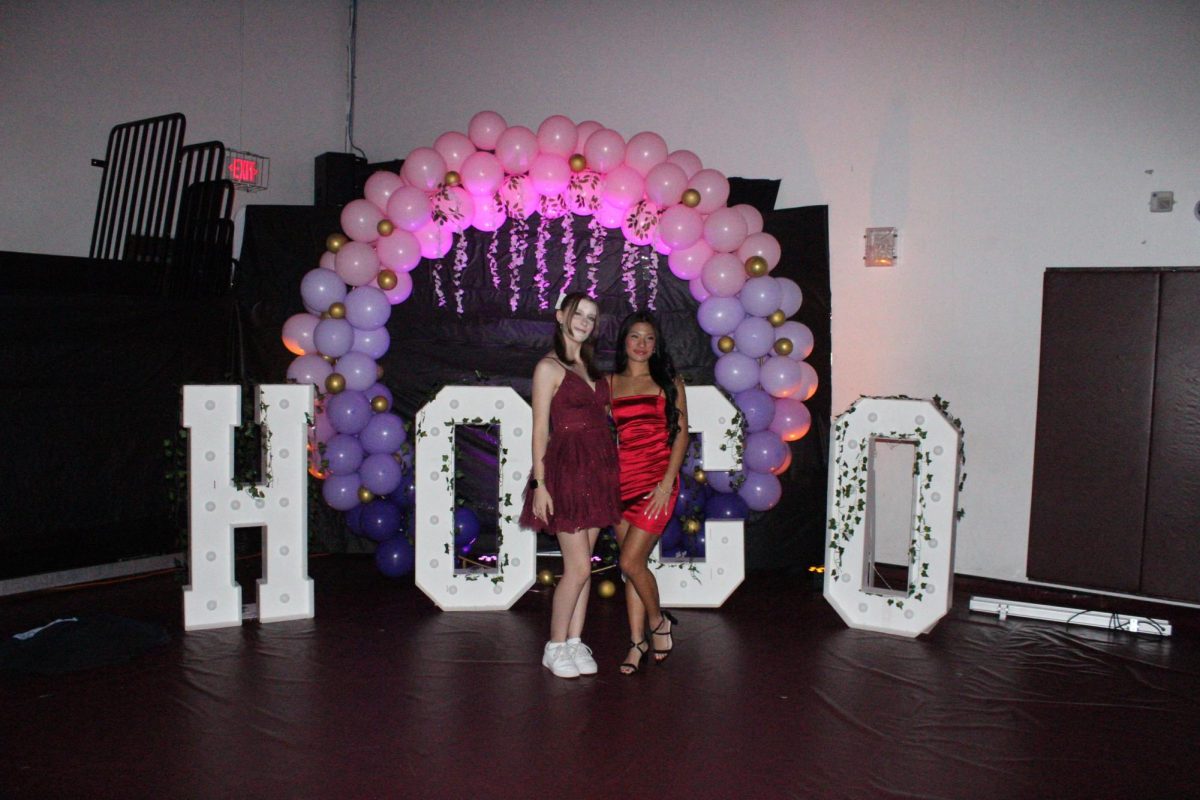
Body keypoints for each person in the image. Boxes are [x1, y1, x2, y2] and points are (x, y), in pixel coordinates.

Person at [519, 292, 622, 679]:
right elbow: (539, 430)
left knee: (586, 566)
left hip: (598, 470)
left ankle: (575, 642)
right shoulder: (548, 367)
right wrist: (540, 484)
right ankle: (555, 645)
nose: (584, 321)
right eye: (578, 313)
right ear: (561, 316)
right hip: (566, 471)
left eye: (591, 317)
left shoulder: (591, 368)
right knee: (577, 567)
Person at [609, 311, 689, 675]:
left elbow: (681, 435)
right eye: (635, 337)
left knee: (629, 562)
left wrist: (667, 482)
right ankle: (637, 642)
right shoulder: (610, 383)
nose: (642, 345)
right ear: (624, 341)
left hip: (657, 484)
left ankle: (659, 622)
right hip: (620, 484)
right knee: (632, 567)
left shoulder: (669, 381)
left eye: (649, 339)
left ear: (656, 345)